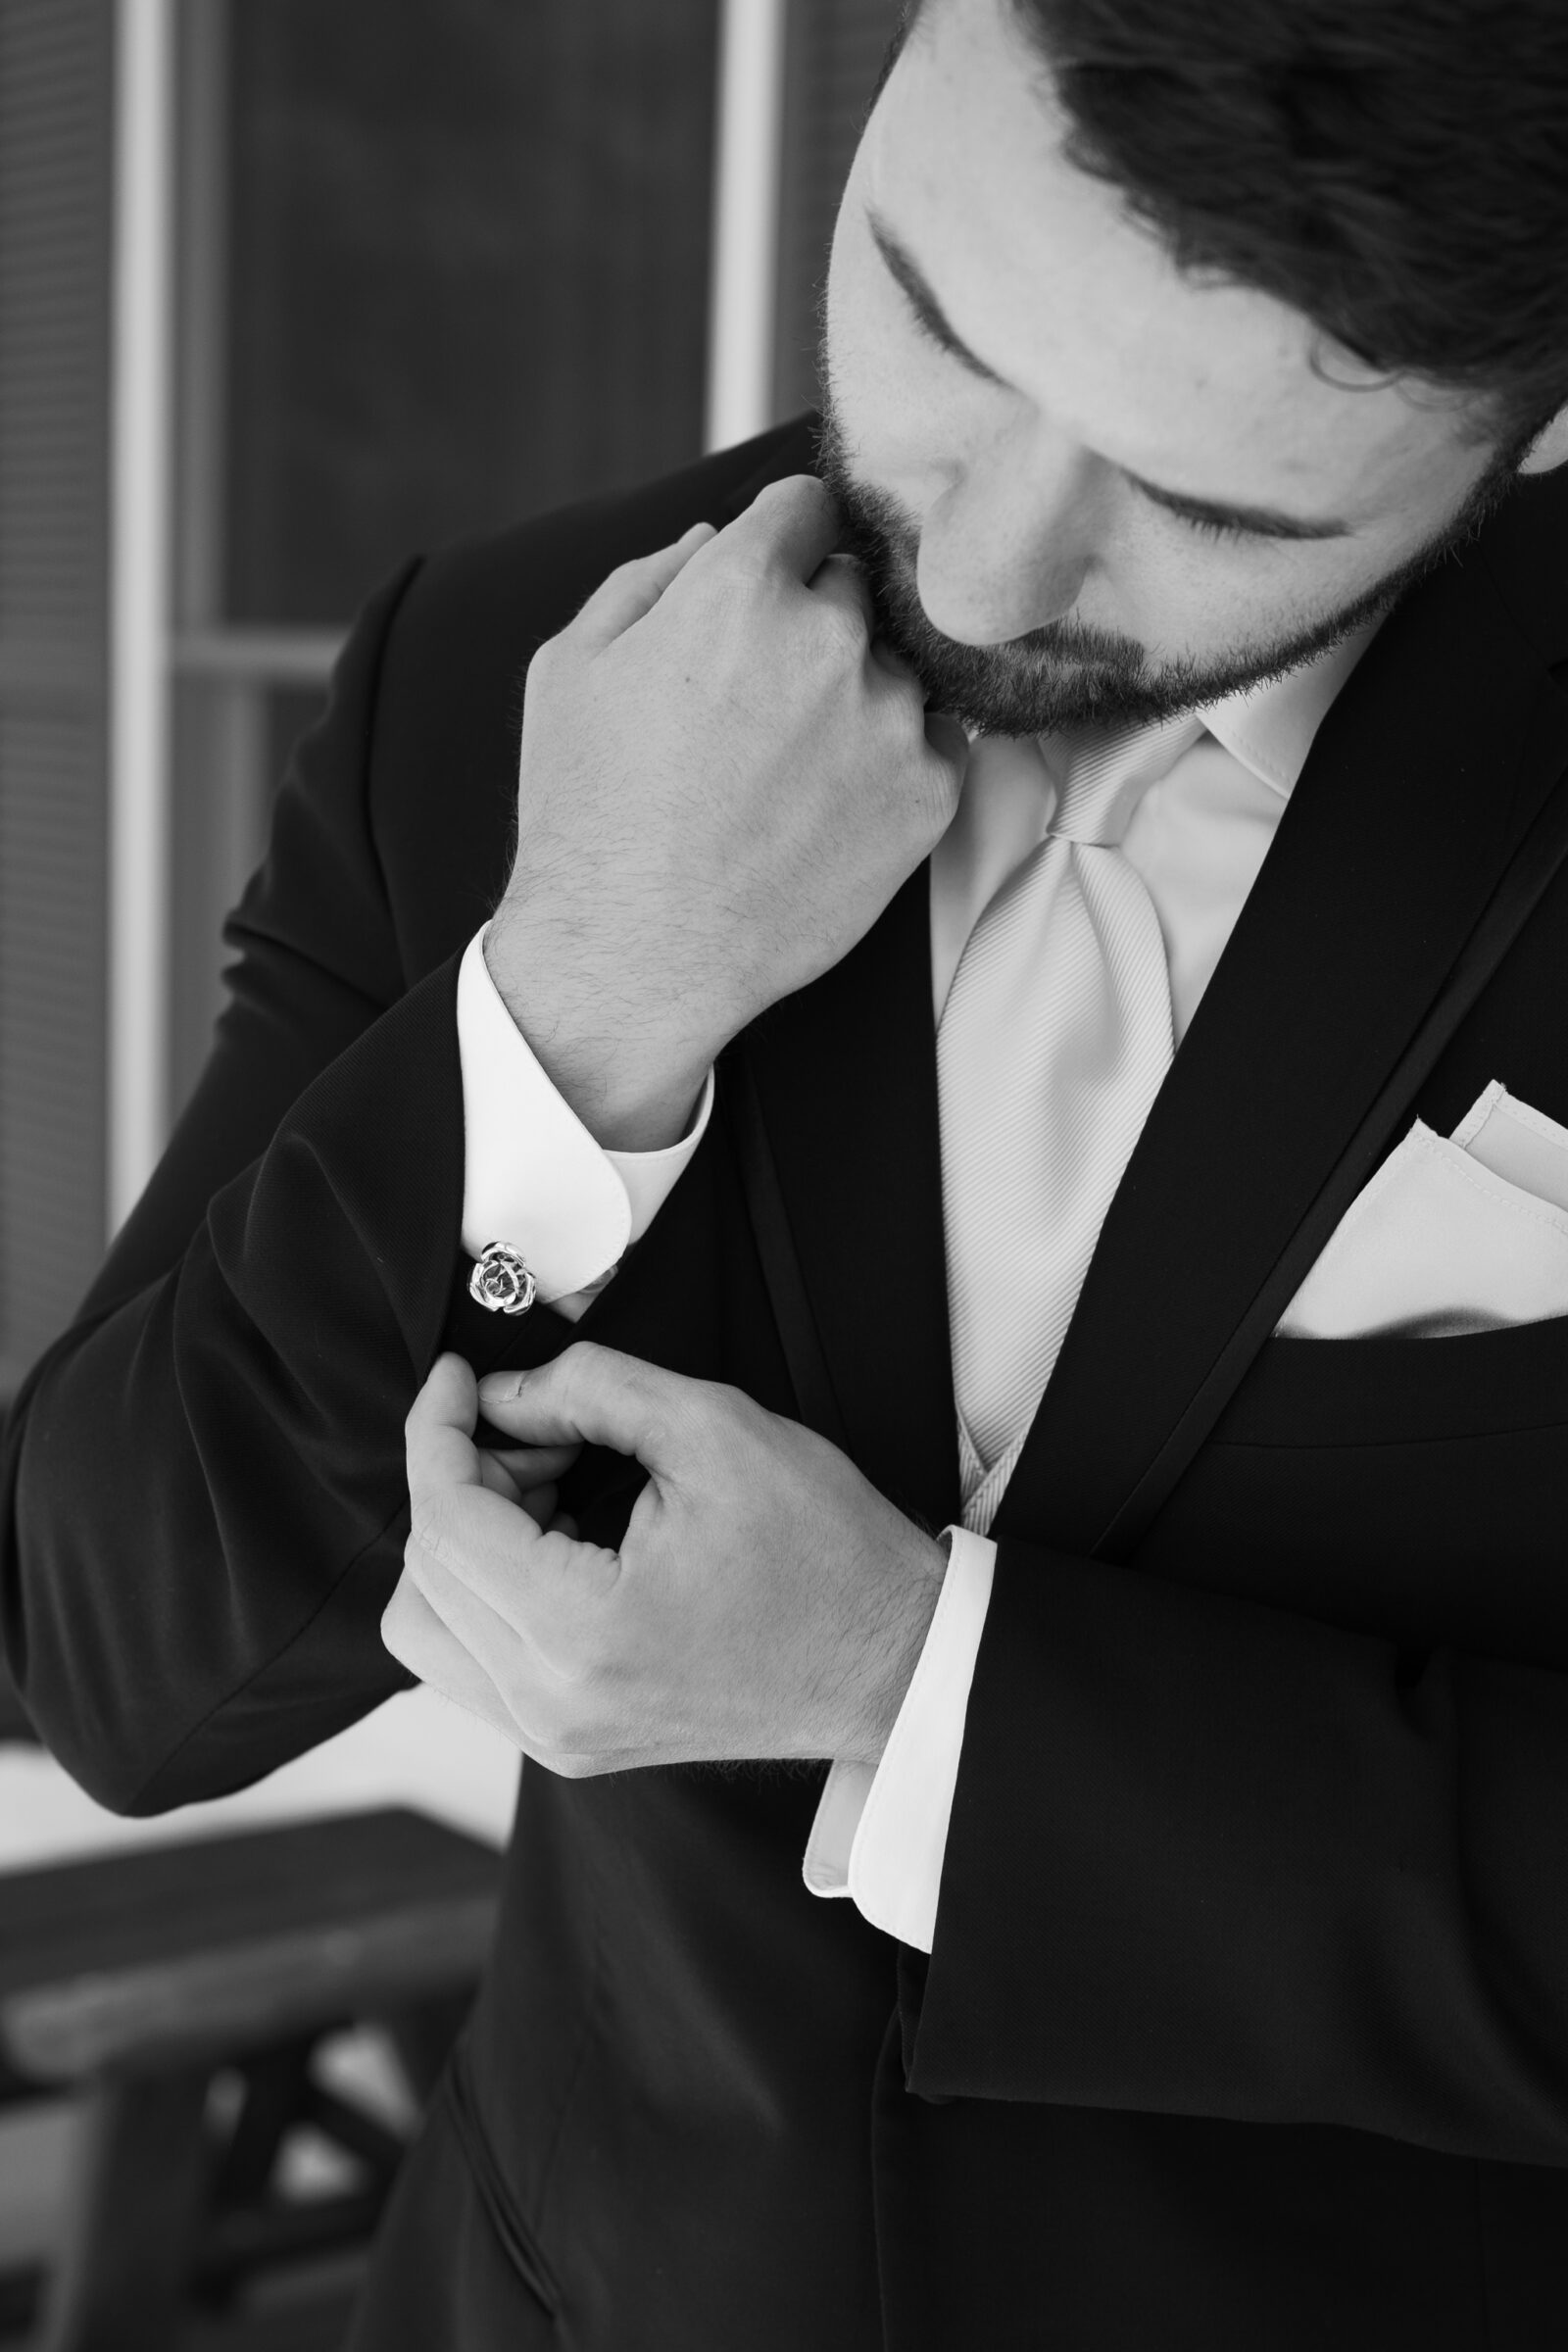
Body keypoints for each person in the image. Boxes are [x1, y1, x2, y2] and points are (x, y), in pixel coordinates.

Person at [7, 0, 1568, 2341]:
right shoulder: (503, 665)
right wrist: (583, 999)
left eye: (1216, 503)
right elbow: (116, 1662)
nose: (992, 556)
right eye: (936, 315)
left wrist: (904, 1690)